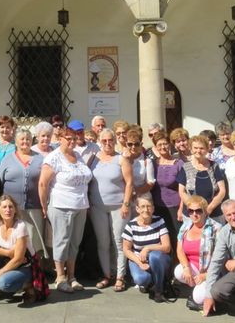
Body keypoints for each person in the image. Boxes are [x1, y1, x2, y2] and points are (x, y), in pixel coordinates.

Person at [38, 124, 92, 293]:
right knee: (62, 241)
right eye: (68, 138)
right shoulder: (53, 158)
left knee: (75, 243)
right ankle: (60, 277)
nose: (72, 142)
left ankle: (72, 277)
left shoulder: (78, 156)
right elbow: (42, 184)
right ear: (60, 139)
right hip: (61, 205)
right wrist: (44, 205)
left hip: (81, 206)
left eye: (74, 139)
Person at [89, 128, 133, 291]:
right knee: (103, 243)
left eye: (110, 140)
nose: (107, 143)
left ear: (115, 141)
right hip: (97, 207)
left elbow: (129, 183)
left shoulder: (121, 159)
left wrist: (126, 204)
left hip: (118, 207)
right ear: (99, 141)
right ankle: (107, 275)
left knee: (119, 243)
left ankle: (120, 277)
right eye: (104, 140)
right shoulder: (93, 159)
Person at [0, 128, 48, 264]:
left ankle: (36, 269)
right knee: (15, 237)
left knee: (34, 239)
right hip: (12, 208)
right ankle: (15, 265)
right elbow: (1, 179)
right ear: (16, 141)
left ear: (32, 141)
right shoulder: (7, 159)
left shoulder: (40, 159)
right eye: (22, 139)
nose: (25, 142)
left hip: (34, 205)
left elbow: (45, 181)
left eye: (28, 139)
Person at [0, 194, 35, 301]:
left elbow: (19, 259)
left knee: (3, 283)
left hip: (24, 266)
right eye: (4, 207)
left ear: (15, 210)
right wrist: (7, 253)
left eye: (11, 207)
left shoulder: (20, 226)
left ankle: (27, 285)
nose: (8, 210)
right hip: (7, 260)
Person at [174, 196, 222, 311]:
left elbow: (221, 257)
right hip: (194, 267)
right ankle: (198, 286)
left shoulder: (216, 228)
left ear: (205, 211)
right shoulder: (186, 226)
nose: (194, 214)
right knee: (179, 271)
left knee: (198, 298)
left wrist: (206, 275)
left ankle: (207, 292)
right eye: (191, 211)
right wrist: (186, 268)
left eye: (198, 211)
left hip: (210, 271)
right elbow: (179, 249)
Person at [121, 194, 172, 303]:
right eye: (143, 206)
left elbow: (167, 247)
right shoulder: (131, 225)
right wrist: (139, 263)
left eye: (149, 206)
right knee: (141, 279)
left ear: (153, 208)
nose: (146, 209)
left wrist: (147, 248)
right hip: (139, 260)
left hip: (158, 259)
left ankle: (159, 290)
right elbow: (126, 250)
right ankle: (151, 282)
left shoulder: (160, 221)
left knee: (154, 255)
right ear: (137, 209)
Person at [176, 135, 226, 222]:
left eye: (202, 148)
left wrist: (209, 209)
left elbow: (222, 191)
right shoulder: (185, 167)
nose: (198, 151)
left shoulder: (214, 166)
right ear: (191, 149)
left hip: (213, 215)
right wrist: (194, 208)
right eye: (195, 148)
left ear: (207, 149)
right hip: (191, 215)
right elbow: (182, 191)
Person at [125, 126, 154, 199]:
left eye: (136, 144)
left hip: (141, 198)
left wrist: (134, 192)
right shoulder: (121, 159)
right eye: (130, 144)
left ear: (141, 144)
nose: (133, 147)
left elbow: (150, 182)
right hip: (123, 197)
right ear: (126, 144)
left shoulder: (146, 160)